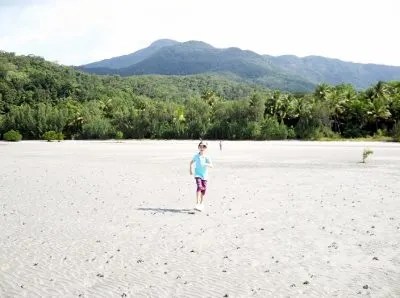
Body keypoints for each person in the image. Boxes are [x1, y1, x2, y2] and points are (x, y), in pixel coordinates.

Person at [190, 141, 213, 211]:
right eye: (200, 146)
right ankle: (197, 203)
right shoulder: (196, 156)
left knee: (204, 189)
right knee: (199, 187)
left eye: (203, 146)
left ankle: (201, 202)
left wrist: (206, 164)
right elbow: (191, 162)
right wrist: (190, 170)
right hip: (197, 174)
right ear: (198, 147)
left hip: (205, 175)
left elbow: (211, 165)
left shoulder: (207, 157)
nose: (201, 148)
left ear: (205, 148)